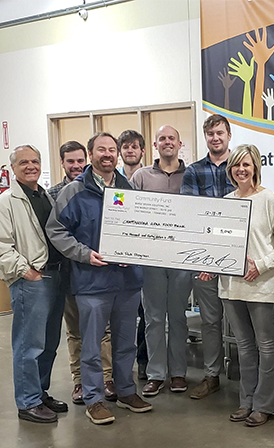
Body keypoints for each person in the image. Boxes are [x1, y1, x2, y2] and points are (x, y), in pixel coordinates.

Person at [46, 132, 152, 425]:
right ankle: (94, 399)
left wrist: (139, 250)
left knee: (126, 343)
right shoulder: (74, 191)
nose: (107, 154)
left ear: (117, 154)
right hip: (91, 282)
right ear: (91, 154)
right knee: (91, 345)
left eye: (112, 149)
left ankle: (126, 391)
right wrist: (83, 254)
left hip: (127, 281)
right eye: (101, 149)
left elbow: (143, 228)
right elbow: (56, 230)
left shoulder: (129, 189)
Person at [0, 144, 67, 423]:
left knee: (49, 343)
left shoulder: (45, 196)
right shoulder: (4, 204)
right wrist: (26, 272)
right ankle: (28, 402)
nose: (30, 166)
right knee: (28, 345)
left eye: (34, 161)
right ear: (13, 168)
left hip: (55, 277)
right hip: (31, 280)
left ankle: (39, 392)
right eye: (23, 162)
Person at [213, 144, 274, 427]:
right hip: (231, 286)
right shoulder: (226, 202)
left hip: (262, 284)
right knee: (244, 346)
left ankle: (265, 404)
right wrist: (210, 264)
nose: (241, 170)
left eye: (246, 164)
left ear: (256, 167)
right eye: (236, 165)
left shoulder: (269, 200)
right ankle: (246, 401)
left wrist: (262, 265)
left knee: (266, 346)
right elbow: (219, 242)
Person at [48, 140, 116, 404]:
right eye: (70, 161)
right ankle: (80, 381)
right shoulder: (55, 194)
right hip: (70, 273)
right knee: (76, 331)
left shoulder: (102, 189)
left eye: (79, 161)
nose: (76, 166)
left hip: (100, 274)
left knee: (104, 330)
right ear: (62, 163)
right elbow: (56, 233)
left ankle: (106, 378)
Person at [131, 125, 193, 396]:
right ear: (155, 145)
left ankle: (178, 373)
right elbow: (127, 214)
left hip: (181, 259)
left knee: (178, 317)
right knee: (154, 318)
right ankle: (155, 374)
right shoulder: (140, 176)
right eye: (162, 139)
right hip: (151, 259)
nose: (167, 142)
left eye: (172, 138)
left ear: (180, 144)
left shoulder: (191, 175)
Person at [180, 114, 235, 399]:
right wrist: (207, 257)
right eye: (211, 134)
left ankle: (250, 380)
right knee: (210, 321)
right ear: (206, 137)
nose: (215, 138)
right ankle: (212, 375)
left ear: (229, 135)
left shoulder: (241, 165)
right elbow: (192, 215)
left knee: (242, 323)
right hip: (204, 259)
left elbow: (247, 209)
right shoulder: (193, 171)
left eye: (220, 133)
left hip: (238, 256)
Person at [116, 130, 148, 381]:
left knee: (146, 316)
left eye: (134, 146)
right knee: (120, 319)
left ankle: (144, 362)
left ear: (142, 151)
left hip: (144, 261)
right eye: (125, 146)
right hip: (117, 262)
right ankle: (119, 370)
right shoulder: (112, 182)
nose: (130, 150)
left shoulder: (148, 178)